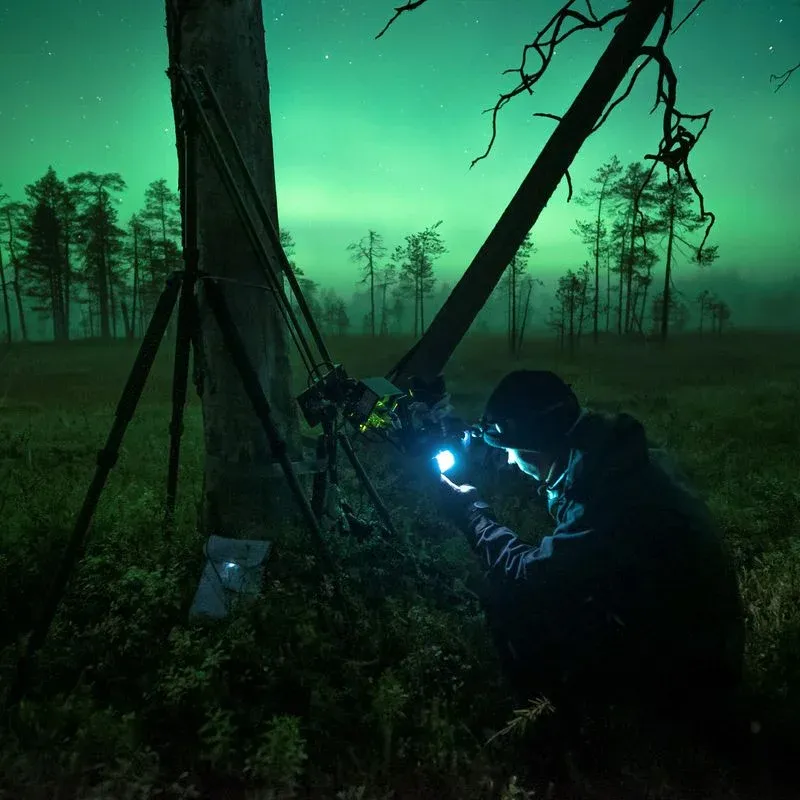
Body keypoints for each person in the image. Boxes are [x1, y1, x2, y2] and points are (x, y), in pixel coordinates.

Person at [438, 369, 745, 729]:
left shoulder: (610, 501)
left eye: (510, 451)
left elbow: (531, 575)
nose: (507, 460)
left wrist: (473, 514)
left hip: (693, 671)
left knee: (513, 600)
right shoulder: (610, 454)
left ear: (534, 445)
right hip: (697, 633)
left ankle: (562, 732)